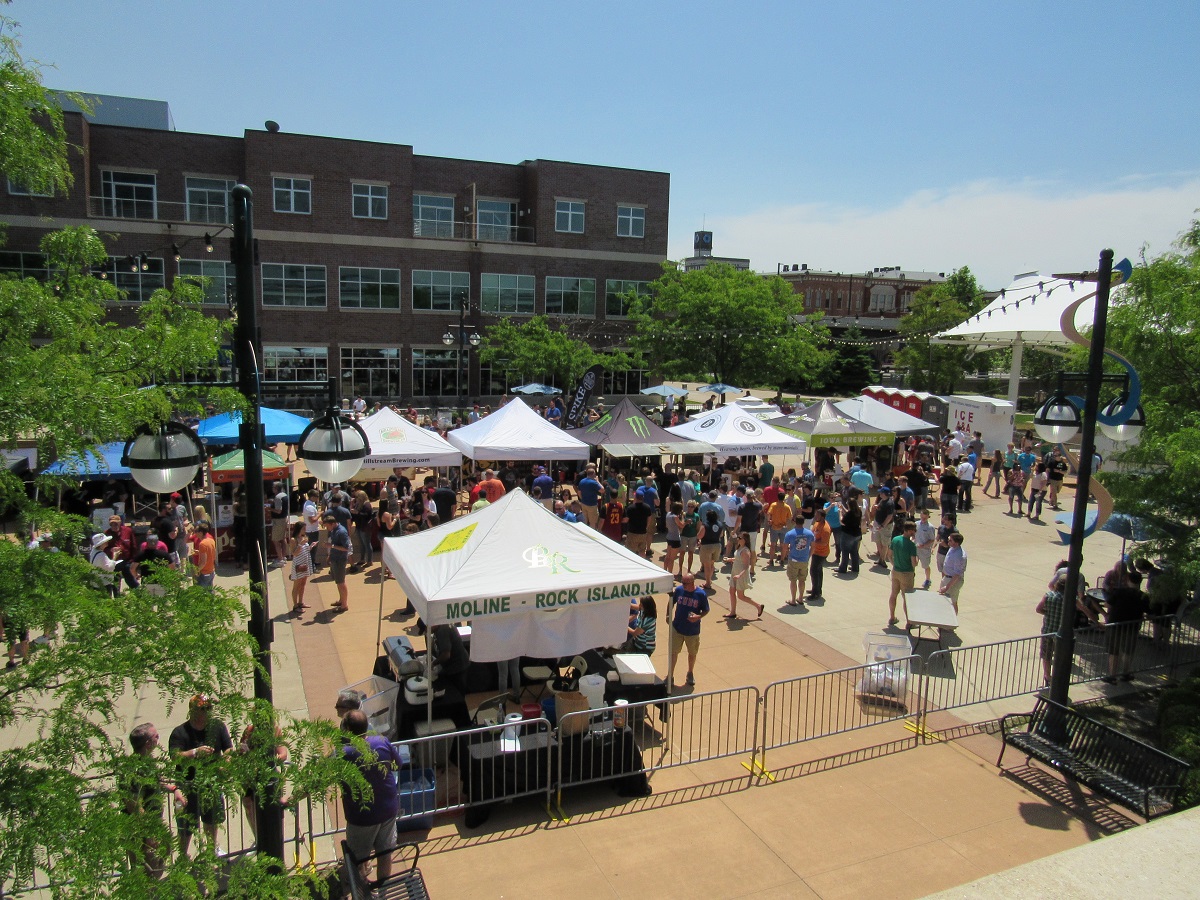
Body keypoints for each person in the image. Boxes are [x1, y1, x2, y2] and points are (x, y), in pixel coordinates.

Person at [339, 709, 403, 885]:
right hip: (388, 808)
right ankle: (383, 890)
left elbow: (321, 778)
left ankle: (361, 889)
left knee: (357, 859)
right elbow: (398, 764)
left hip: (362, 816)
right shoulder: (382, 742)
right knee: (385, 852)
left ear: (347, 730)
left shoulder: (343, 753)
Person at [169, 694, 233, 857]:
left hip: (211, 783)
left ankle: (211, 850)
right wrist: (195, 752)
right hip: (187, 786)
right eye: (201, 709)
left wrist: (226, 761)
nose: (205, 712)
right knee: (186, 824)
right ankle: (183, 856)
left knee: (211, 820)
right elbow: (175, 756)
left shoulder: (217, 726)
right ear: (192, 710)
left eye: (208, 708)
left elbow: (228, 748)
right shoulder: (180, 732)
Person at [126, 722, 186, 880]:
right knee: (146, 871)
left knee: (162, 857)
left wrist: (175, 790)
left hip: (154, 823)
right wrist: (148, 834)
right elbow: (133, 804)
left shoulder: (148, 762)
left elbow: (158, 781)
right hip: (142, 829)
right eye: (156, 736)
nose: (158, 739)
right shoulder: (133, 769)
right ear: (148, 743)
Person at [668, 573, 710, 687]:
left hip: (692, 631)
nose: (683, 585)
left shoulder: (700, 594)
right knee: (673, 652)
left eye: (685, 583)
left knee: (692, 653)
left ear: (692, 582)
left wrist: (698, 617)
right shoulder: (679, 590)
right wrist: (668, 615)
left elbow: (706, 610)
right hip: (677, 627)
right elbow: (671, 601)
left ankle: (690, 673)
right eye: (682, 582)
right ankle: (670, 676)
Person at [723, 531, 764, 620]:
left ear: (744, 540)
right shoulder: (739, 548)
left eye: (740, 538)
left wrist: (739, 575)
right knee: (731, 591)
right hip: (735, 572)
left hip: (740, 574)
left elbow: (746, 566)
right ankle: (732, 612)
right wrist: (730, 559)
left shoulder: (745, 551)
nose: (738, 539)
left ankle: (758, 606)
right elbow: (738, 558)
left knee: (741, 596)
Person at [887, 521, 920, 626]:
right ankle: (909, 622)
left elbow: (889, 555)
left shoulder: (895, 539)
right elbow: (914, 564)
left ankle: (892, 617)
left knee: (893, 594)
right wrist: (918, 558)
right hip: (907, 573)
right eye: (913, 531)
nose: (914, 532)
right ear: (909, 530)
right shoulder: (911, 545)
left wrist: (894, 564)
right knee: (907, 599)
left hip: (896, 571)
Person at [783, 515, 815, 607]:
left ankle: (793, 600)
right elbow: (813, 546)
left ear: (795, 522)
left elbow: (785, 547)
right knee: (802, 579)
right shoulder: (809, 534)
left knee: (793, 580)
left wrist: (784, 556)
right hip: (804, 560)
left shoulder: (790, 534)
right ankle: (800, 598)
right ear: (803, 522)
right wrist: (809, 555)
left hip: (793, 559)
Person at [324, 513, 351, 612]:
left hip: (340, 559)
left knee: (341, 582)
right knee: (338, 582)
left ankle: (344, 605)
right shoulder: (334, 530)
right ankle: (341, 600)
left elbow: (346, 548)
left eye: (327, 526)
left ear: (332, 523)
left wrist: (331, 546)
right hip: (335, 558)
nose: (327, 528)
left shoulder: (341, 532)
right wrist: (330, 556)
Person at [939, 531, 968, 612]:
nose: (948, 541)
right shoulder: (952, 549)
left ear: (956, 543)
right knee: (942, 600)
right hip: (947, 578)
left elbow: (957, 574)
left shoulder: (960, 556)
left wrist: (947, 586)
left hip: (953, 581)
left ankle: (952, 622)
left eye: (950, 540)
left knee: (952, 601)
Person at [808, 508, 831, 602]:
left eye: (817, 515)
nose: (815, 516)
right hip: (815, 551)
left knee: (814, 571)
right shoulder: (817, 523)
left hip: (821, 553)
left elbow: (824, 542)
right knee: (818, 571)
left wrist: (813, 542)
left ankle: (815, 593)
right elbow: (813, 533)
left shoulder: (825, 528)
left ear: (822, 517)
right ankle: (817, 589)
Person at [697, 509, 723, 590]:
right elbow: (721, 535)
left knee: (707, 565)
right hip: (717, 545)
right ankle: (709, 580)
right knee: (712, 564)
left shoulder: (705, 525)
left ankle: (708, 583)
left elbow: (699, 536)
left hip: (707, 546)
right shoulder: (720, 524)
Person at [289, 523, 311, 614]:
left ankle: (301, 602)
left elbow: (306, 549)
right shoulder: (293, 540)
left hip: (305, 562)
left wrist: (310, 546)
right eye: (303, 529)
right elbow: (294, 553)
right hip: (298, 564)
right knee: (296, 585)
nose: (304, 530)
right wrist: (301, 544)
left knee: (303, 583)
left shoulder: (304, 537)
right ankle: (295, 605)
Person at [914, 508, 937, 590]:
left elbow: (932, 539)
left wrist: (924, 545)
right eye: (922, 517)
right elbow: (913, 534)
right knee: (913, 563)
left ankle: (928, 579)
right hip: (916, 548)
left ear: (928, 517)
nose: (923, 519)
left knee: (925, 565)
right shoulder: (916, 524)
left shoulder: (930, 527)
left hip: (925, 550)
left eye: (925, 517)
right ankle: (911, 576)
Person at [191, 522, 217, 589]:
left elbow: (203, 562)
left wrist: (197, 571)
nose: (195, 533)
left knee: (200, 593)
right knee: (210, 592)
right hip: (211, 570)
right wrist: (200, 553)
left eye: (196, 531)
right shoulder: (211, 540)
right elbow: (211, 553)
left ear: (201, 532)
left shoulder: (202, 544)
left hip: (205, 572)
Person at [270, 481, 290, 565]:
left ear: (275, 489)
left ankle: (280, 559)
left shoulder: (278, 497)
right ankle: (284, 556)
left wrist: (268, 509)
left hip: (278, 521)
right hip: (284, 519)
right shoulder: (285, 495)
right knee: (283, 538)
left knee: (275, 540)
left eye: (273, 488)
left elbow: (278, 511)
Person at [302, 490, 322, 572]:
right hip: (311, 531)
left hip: (313, 529)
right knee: (312, 549)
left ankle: (313, 562)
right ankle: (312, 566)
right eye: (317, 496)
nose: (318, 498)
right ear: (312, 497)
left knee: (314, 548)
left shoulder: (311, 504)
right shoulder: (309, 507)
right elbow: (312, 520)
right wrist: (320, 514)